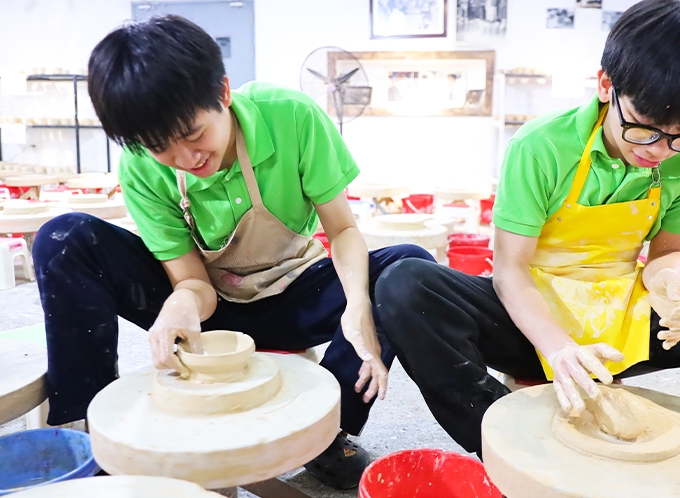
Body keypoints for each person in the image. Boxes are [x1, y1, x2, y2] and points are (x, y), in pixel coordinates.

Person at [374, 0, 680, 454]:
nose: (660, 149)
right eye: (646, 127)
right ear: (605, 86)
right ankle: (513, 449)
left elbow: (668, 251)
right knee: (405, 284)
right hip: (532, 322)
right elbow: (509, 272)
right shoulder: (543, 145)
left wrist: (670, 286)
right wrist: (559, 350)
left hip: (626, 322)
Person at [32, 15, 432, 489]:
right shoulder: (140, 165)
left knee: (409, 269)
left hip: (292, 291)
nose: (185, 159)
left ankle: (329, 430)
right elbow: (192, 280)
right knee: (65, 237)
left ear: (222, 92)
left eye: (194, 134)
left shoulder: (291, 117)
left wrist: (359, 309)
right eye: (160, 147)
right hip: (212, 303)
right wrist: (181, 303)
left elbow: (343, 230)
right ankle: (92, 430)